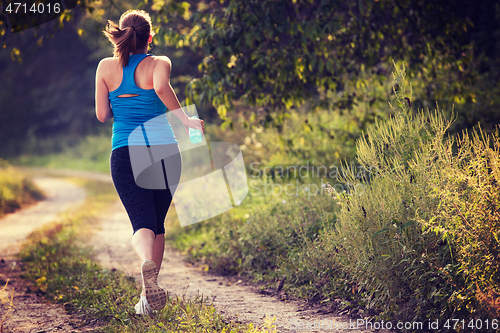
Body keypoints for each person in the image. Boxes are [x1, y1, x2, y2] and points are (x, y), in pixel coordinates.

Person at [94, 9, 204, 315]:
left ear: (121, 36)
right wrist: (184, 120)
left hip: (126, 152)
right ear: (150, 38)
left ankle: (146, 272)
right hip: (164, 152)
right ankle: (147, 299)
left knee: (141, 222)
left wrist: (124, 100)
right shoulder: (160, 62)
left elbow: (102, 116)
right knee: (158, 224)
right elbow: (159, 87)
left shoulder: (105, 67)